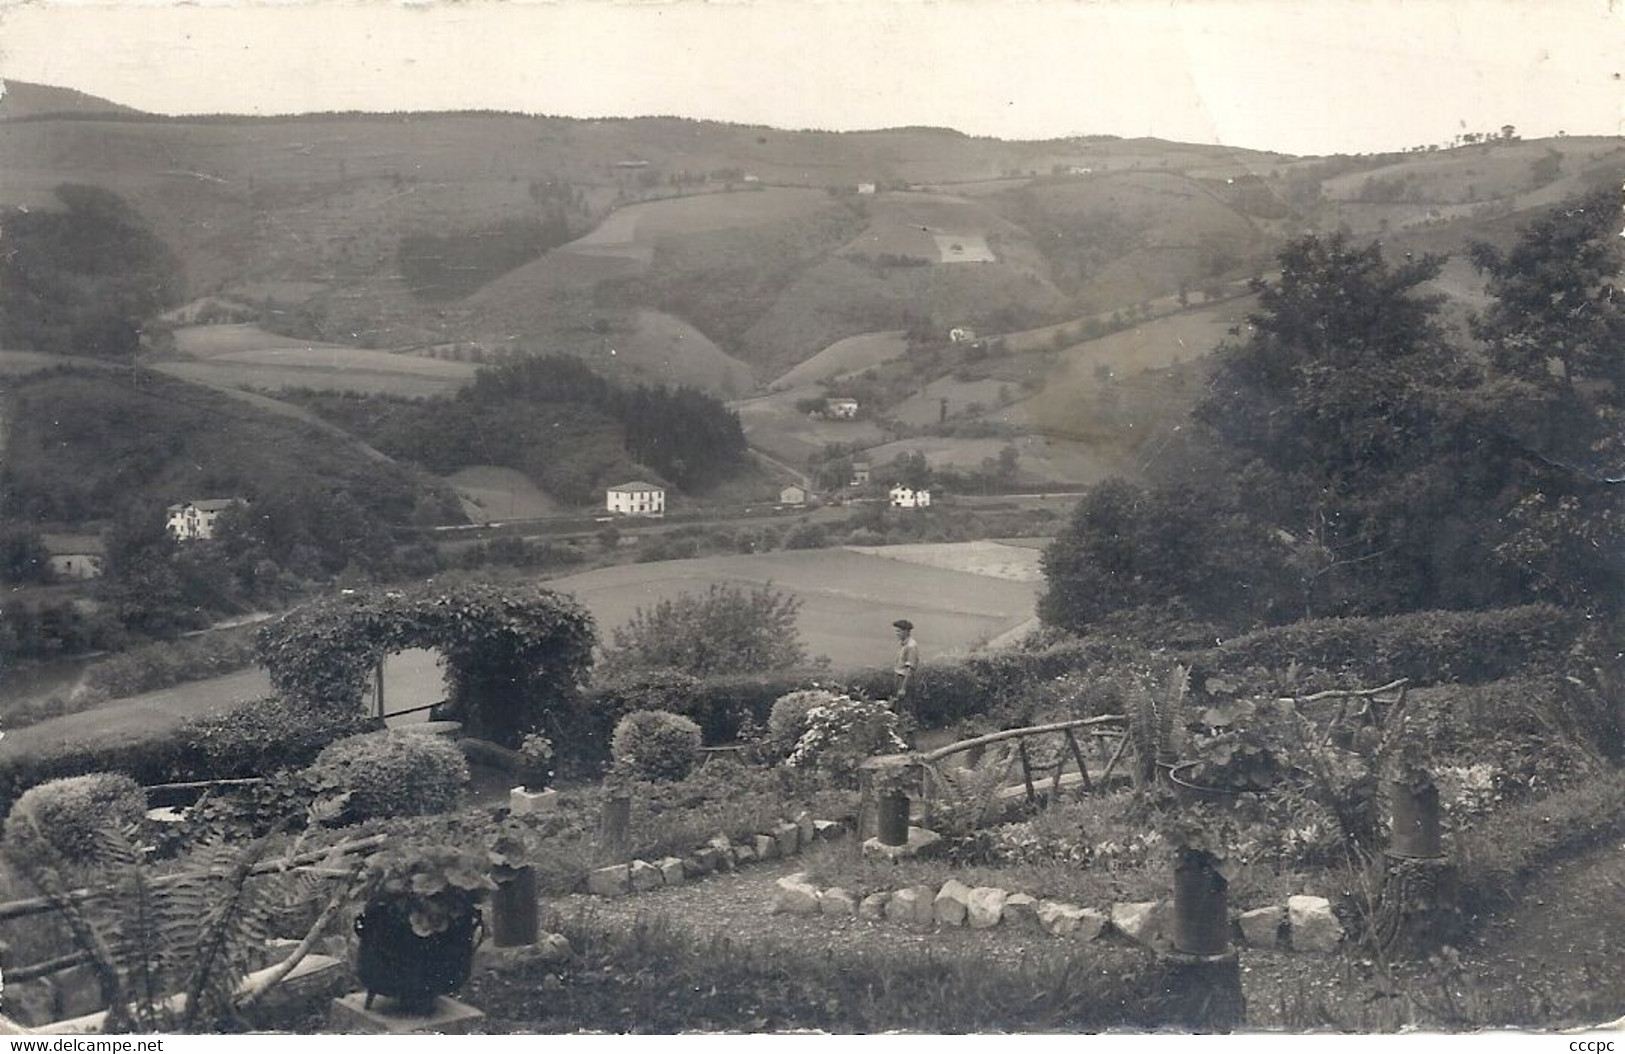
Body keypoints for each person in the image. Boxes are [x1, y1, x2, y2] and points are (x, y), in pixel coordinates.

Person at [891, 618, 919, 704]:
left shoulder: (911, 646)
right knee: (896, 703)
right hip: (898, 676)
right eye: (896, 631)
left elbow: (910, 668)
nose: (896, 634)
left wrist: (903, 688)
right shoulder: (901, 643)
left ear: (906, 631)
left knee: (904, 704)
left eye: (899, 631)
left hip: (904, 679)